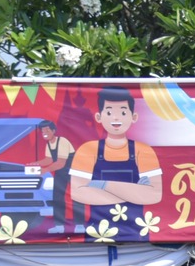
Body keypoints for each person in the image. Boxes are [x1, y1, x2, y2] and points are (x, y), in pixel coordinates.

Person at [67, 87, 163, 227]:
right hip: (98, 229)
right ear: (99, 117)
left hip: (136, 228)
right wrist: (135, 193)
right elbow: (78, 193)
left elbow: (154, 195)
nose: (116, 118)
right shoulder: (87, 150)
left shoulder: (143, 151)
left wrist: (103, 185)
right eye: (109, 112)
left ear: (134, 117)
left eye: (123, 112)